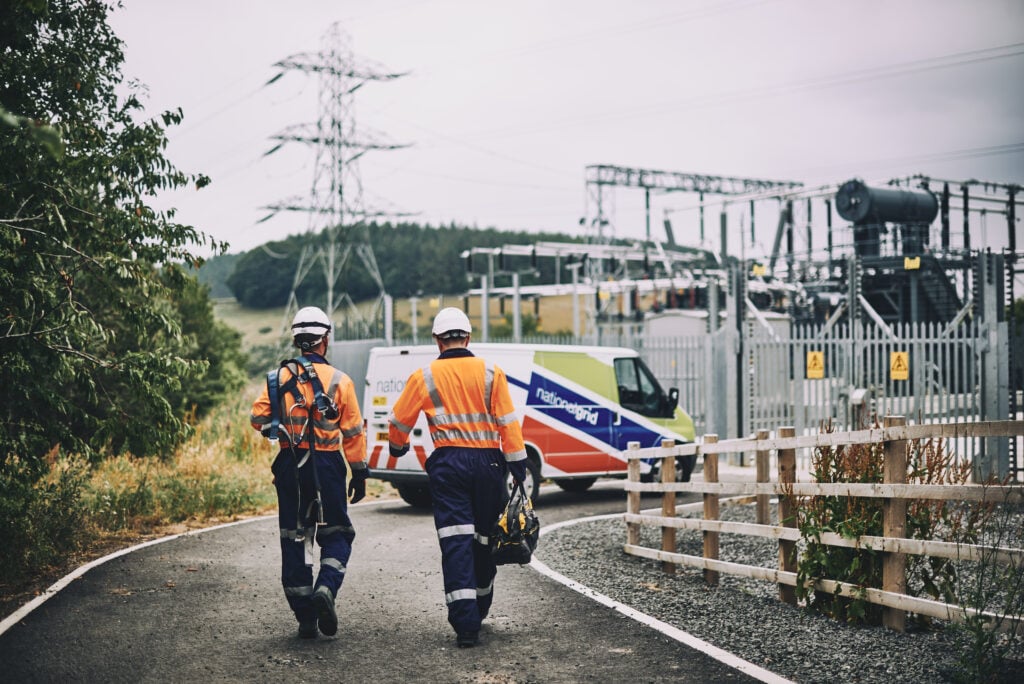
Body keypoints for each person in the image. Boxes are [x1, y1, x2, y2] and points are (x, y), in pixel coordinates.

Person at [388, 307, 528, 648]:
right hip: (488, 465)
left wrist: (396, 449)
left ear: (437, 340)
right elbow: (508, 424)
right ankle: (481, 605)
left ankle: (466, 625)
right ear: (467, 337)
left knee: (455, 541)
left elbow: (398, 423)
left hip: (448, 464)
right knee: (484, 538)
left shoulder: (424, 376)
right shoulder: (492, 373)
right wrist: (518, 468)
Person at [249, 306, 368, 639]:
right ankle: (326, 589)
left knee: (296, 535)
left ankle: (304, 617)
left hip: (290, 464)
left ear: (298, 341)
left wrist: (279, 423)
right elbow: (354, 432)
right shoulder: (341, 381)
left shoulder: (277, 379)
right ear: (324, 340)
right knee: (337, 533)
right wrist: (358, 472)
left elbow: (258, 419)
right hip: (328, 465)